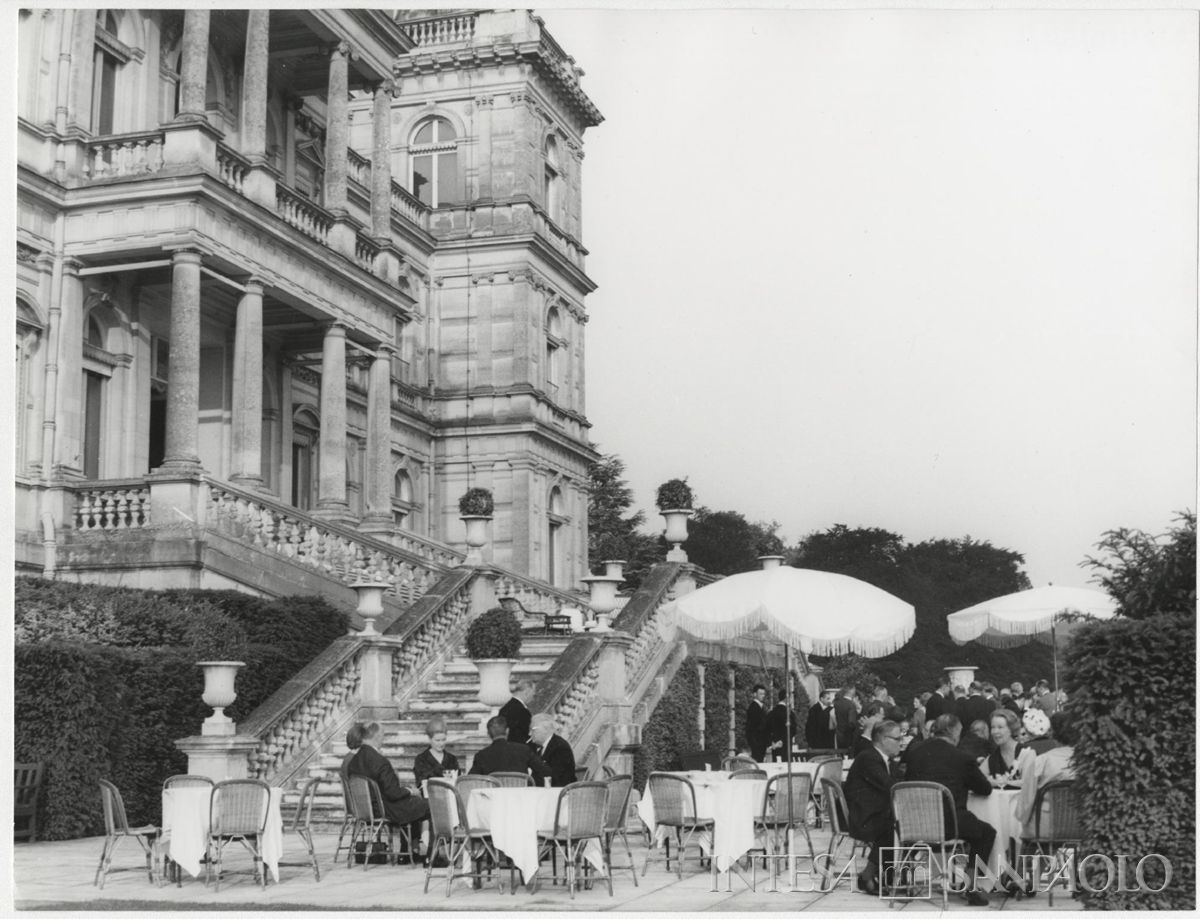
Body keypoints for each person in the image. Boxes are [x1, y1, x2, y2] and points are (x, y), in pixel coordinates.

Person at [903, 714, 996, 906]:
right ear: (954, 732)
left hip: (913, 822)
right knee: (986, 832)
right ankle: (970, 886)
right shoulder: (962, 758)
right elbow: (984, 789)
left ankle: (903, 877)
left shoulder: (915, 753)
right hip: (948, 823)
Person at [347, 722, 430, 857]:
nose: (383, 740)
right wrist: (410, 790)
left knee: (413, 804)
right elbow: (393, 793)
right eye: (383, 736)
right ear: (377, 736)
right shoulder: (380, 761)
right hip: (385, 809)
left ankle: (408, 852)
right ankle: (430, 854)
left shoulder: (353, 762)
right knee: (428, 805)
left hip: (365, 809)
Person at [843, 720, 904, 895]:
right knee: (893, 828)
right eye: (897, 738)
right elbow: (889, 785)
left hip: (871, 812)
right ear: (884, 740)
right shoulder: (869, 758)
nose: (901, 743)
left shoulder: (880, 758)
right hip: (860, 816)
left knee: (895, 824)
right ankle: (869, 875)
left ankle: (885, 875)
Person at [1016, 712, 1077, 838]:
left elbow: (1026, 800)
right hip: (1080, 825)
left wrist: (1021, 819)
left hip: (1045, 827)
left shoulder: (1042, 761)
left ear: (1052, 733)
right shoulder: (1086, 762)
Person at [469, 715, 551, 783]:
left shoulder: (481, 756)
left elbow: (471, 779)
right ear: (507, 731)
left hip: (495, 799)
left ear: (488, 734)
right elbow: (545, 771)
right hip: (521, 798)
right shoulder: (523, 750)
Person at [984, 709, 1033, 784]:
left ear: (1011, 729)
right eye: (993, 727)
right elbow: (976, 779)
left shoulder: (1026, 753)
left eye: (1000, 727)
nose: (995, 732)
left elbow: (1028, 782)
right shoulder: (992, 758)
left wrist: (1003, 782)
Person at [528, 713, 576, 787]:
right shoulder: (534, 746)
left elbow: (555, 777)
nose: (529, 734)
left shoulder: (560, 747)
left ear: (545, 729)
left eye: (532, 730)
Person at [412, 715, 461, 788]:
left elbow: (458, 781)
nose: (441, 743)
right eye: (437, 740)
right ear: (429, 739)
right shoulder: (421, 759)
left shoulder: (452, 759)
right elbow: (420, 784)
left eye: (443, 740)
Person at [766, 689, 800, 761]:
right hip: (786, 744)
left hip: (775, 745)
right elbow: (793, 730)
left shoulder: (771, 713)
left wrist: (772, 742)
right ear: (786, 698)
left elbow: (767, 728)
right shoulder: (789, 713)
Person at [498, 679, 534, 745]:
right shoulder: (523, 711)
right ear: (527, 692)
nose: (532, 698)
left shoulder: (504, 709)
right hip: (520, 748)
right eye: (532, 695)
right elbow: (527, 735)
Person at [745, 684, 769, 761]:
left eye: (764, 694)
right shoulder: (753, 708)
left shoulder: (759, 707)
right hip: (757, 743)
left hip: (760, 743)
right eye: (761, 694)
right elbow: (752, 728)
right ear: (755, 694)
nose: (763, 696)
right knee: (758, 763)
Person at [834, 684, 860, 750]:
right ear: (852, 691)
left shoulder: (837, 703)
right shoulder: (851, 705)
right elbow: (851, 723)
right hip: (848, 736)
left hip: (838, 734)